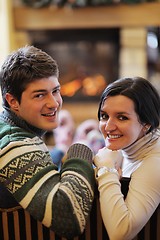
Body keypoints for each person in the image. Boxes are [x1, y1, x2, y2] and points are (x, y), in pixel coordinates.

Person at [0, 45, 95, 239]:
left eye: (56, 91)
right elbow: (70, 218)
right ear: (13, 101)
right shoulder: (14, 145)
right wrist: (81, 148)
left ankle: (62, 145)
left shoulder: (9, 126)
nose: (54, 103)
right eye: (40, 95)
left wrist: (63, 151)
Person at [94, 77, 160, 240]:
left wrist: (106, 169)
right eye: (104, 116)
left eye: (122, 117)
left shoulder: (154, 163)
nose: (108, 127)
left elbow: (120, 233)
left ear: (147, 124)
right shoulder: (126, 148)